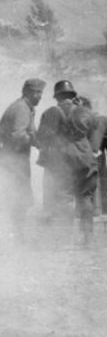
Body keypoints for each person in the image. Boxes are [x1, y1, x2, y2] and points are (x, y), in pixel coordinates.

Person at [37, 80, 98, 246]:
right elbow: (95, 130)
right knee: (86, 198)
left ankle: (67, 239)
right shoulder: (85, 111)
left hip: (63, 160)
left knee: (65, 198)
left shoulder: (51, 113)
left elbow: (41, 137)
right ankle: (89, 238)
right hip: (85, 158)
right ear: (73, 95)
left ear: (57, 96)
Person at [0, 78, 45, 243]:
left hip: (14, 158)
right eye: (37, 93)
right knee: (18, 197)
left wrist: (41, 144)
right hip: (14, 160)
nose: (40, 96)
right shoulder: (21, 109)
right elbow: (19, 135)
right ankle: (16, 235)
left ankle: (16, 233)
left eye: (40, 93)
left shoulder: (26, 107)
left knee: (19, 196)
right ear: (28, 93)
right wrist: (34, 141)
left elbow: (31, 132)